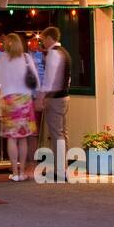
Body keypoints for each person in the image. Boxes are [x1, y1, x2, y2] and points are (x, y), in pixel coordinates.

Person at [0, 33, 38, 181]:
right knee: (23, 137)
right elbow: (35, 81)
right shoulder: (26, 58)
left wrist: (2, 93)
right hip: (25, 100)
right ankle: (22, 171)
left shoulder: (1, 58)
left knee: (11, 138)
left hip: (8, 101)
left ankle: (14, 172)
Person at [39, 26, 72, 182]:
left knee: (56, 135)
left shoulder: (53, 54)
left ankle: (60, 171)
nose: (42, 43)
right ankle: (63, 168)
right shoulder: (65, 53)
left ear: (48, 38)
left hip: (55, 98)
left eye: (43, 39)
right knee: (63, 134)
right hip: (65, 97)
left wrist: (42, 97)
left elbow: (50, 80)